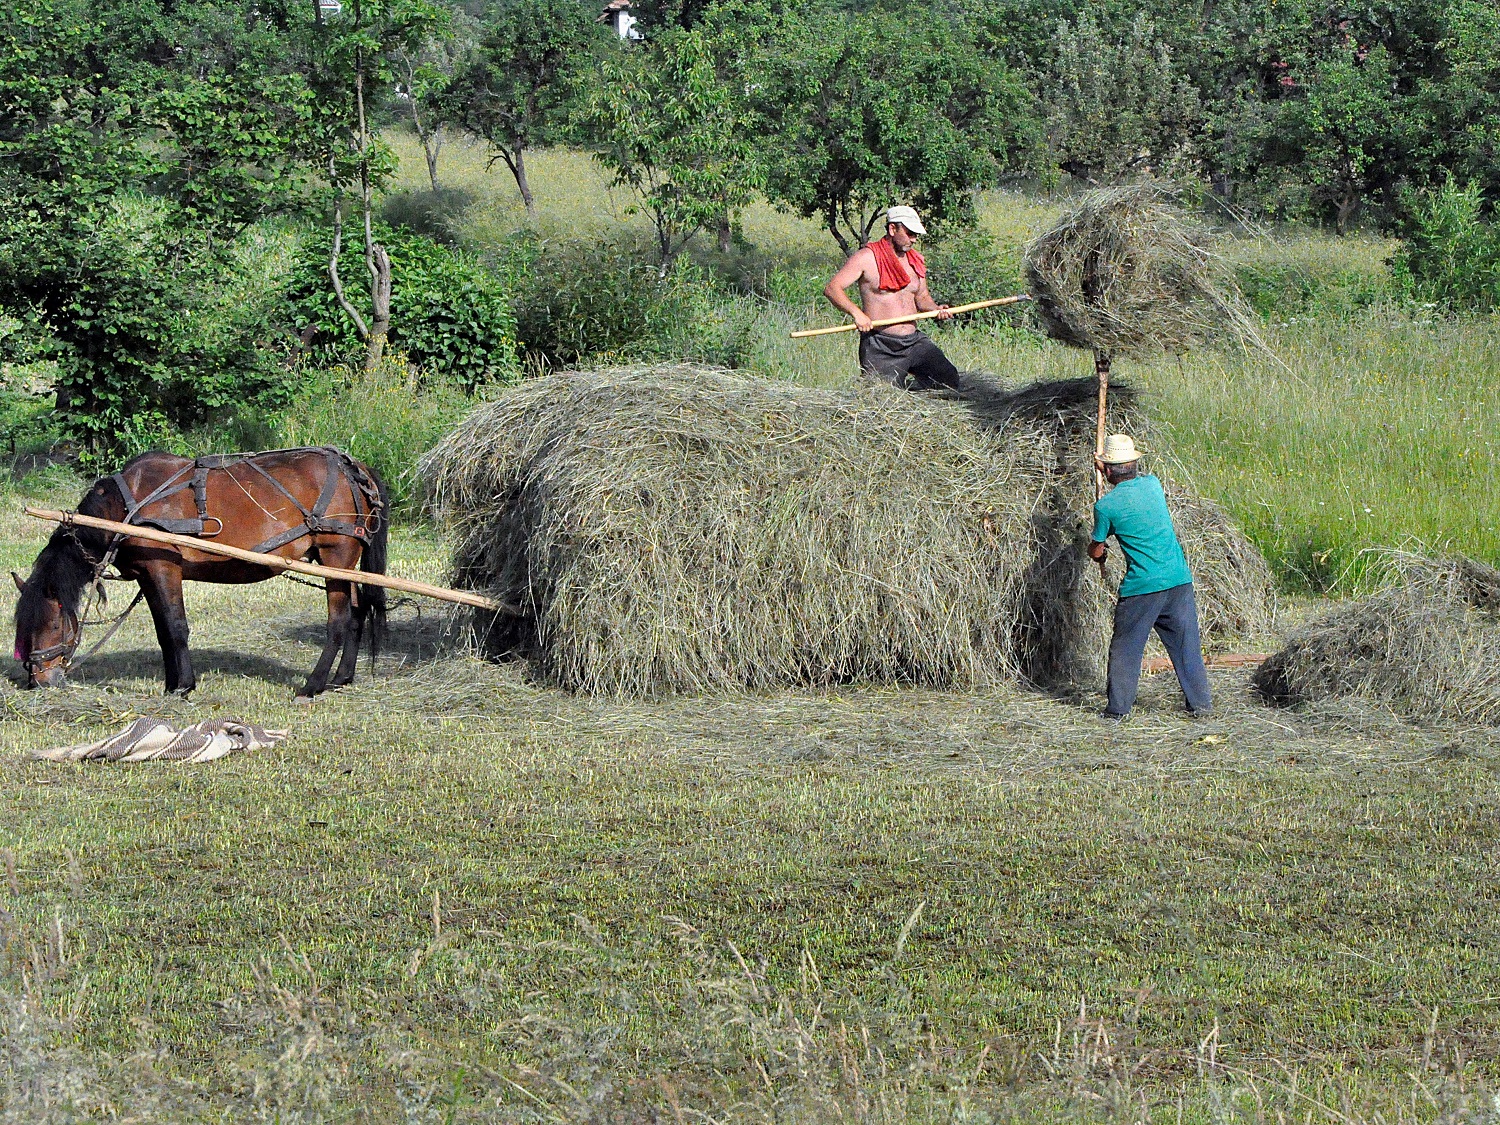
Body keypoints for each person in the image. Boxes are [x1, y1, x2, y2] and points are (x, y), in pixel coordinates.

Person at [1086, 434, 1212, 720]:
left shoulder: (1105, 507)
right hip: (1178, 580)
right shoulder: (1153, 486)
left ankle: (1117, 712)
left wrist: (1097, 548)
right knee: (1186, 646)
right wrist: (1105, 465)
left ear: (1106, 471)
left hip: (1142, 588)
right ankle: (1201, 706)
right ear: (1133, 464)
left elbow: (1096, 550)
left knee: (1126, 650)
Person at [822, 205, 959, 391]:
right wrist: (857, 314)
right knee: (883, 398)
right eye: (910, 233)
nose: (914, 239)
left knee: (947, 379)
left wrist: (936, 309)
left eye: (916, 234)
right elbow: (832, 288)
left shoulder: (915, 260)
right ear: (892, 229)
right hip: (881, 344)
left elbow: (922, 297)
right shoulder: (866, 258)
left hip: (914, 341)